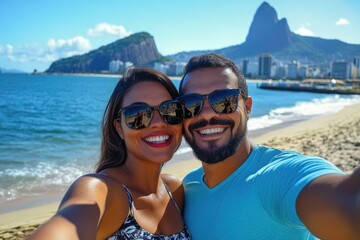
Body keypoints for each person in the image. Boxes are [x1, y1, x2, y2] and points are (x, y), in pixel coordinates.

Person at [178, 53, 360, 240]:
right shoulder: (187, 188)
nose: (207, 114)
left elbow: (343, 201)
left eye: (225, 101)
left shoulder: (280, 176)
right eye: (191, 104)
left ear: (247, 108)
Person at [27, 68, 191, 240]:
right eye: (138, 115)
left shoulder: (174, 190)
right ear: (119, 128)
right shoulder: (101, 189)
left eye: (170, 110)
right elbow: (67, 225)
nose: (158, 123)